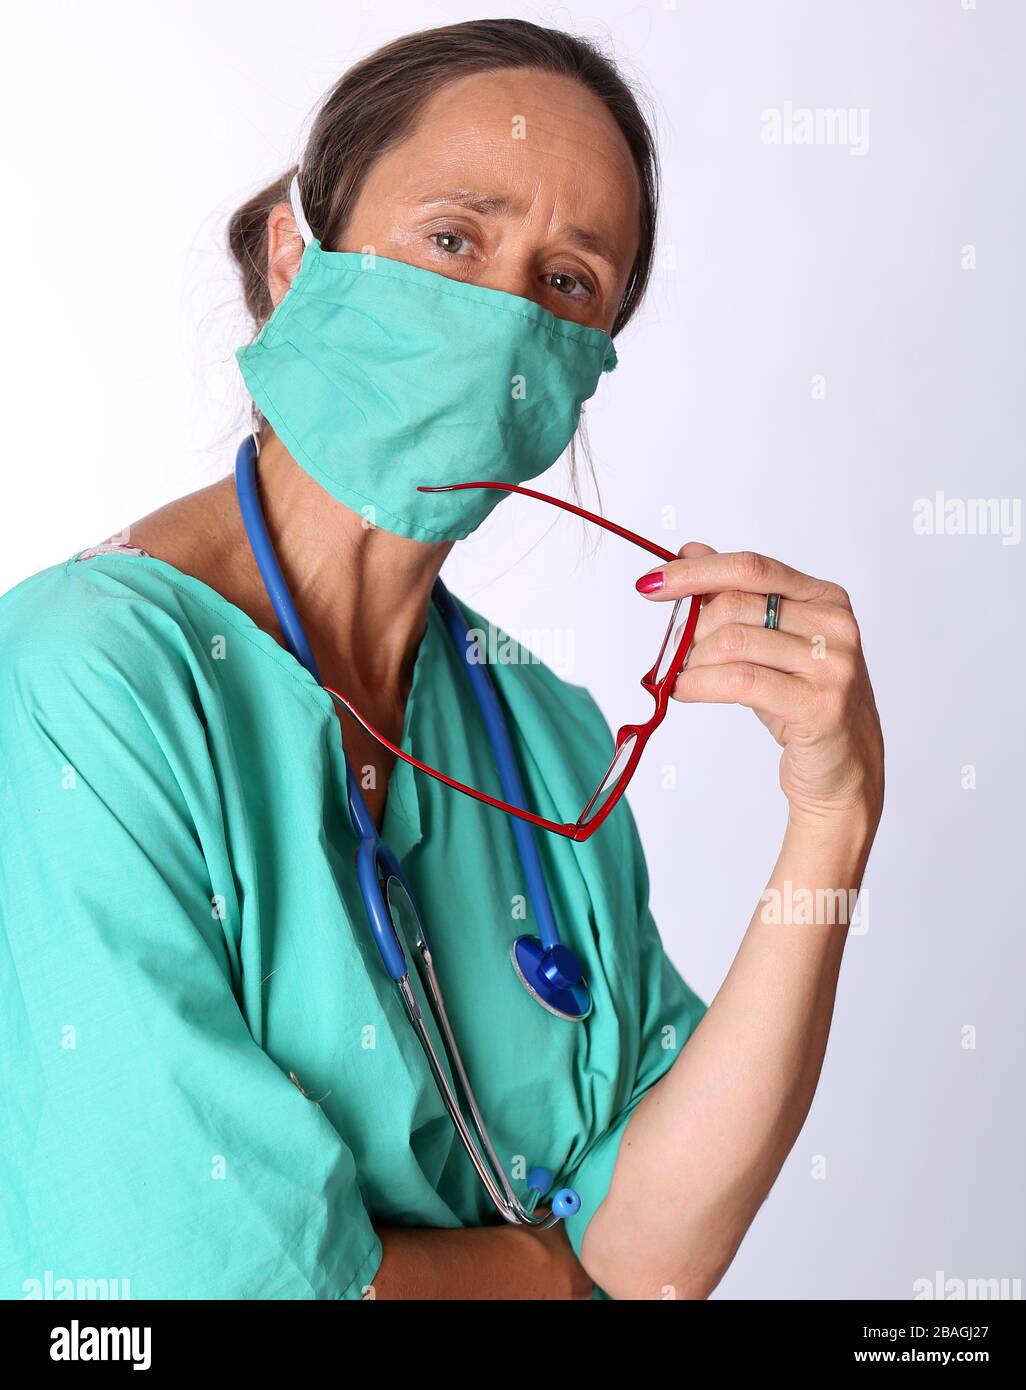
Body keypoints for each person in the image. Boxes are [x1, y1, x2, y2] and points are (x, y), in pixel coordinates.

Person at [0, 18, 883, 1300]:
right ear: (296, 256)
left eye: (567, 281)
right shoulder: (80, 684)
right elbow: (182, 1283)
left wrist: (834, 818)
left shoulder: (549, 737)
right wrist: (546, 1274)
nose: (499, 316)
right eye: (454, 239)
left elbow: (649, 1253)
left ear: (583, 370)